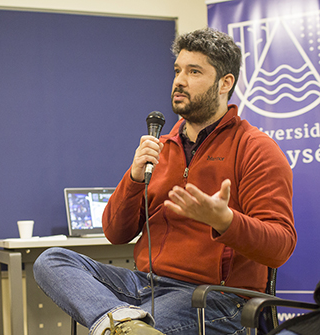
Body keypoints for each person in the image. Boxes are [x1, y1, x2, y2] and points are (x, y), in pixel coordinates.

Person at [33, 27, 297, 335]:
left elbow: (280, 246)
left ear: (225, 83)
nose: (179, 81)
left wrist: (226, 221)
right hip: (146, 285)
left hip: (213, 297)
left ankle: (123, 324)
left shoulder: (255, 148)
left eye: (194, 71)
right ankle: (121, 321)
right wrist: (134, 178)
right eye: (177, 70)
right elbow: (115, 233)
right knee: (52, 260)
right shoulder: (162, 145)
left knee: (145, 319)